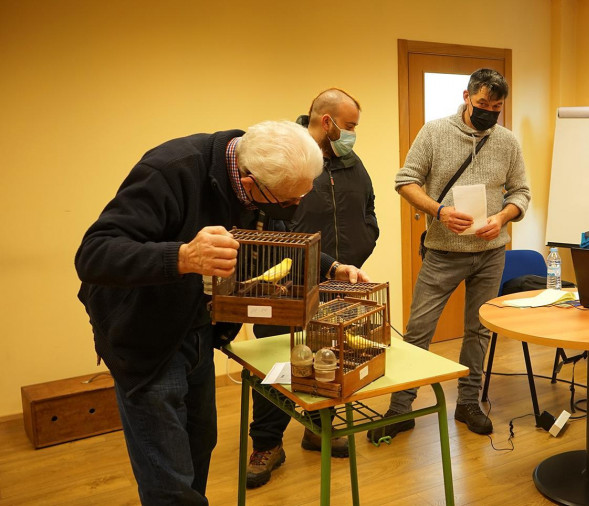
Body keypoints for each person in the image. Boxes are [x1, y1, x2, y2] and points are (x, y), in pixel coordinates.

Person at [75, 120, 365, 505]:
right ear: (249, 185)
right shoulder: (170, 170)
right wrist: (183, 256)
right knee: (169, 475)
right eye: (288, 201)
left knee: (199, 443)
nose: (294, 208)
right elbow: (94, 254)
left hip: (197, 330)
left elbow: (277, 239)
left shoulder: (260, 177)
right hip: (144, 336)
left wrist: (330, 267)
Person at [368, 68, 530, 441]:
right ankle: (400, 408)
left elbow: (521, 192)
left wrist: (504, 216)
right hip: (443, 251)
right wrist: (438, 212)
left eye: (497, 107)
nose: (489, 111)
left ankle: (468, 402)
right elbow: (404, 181)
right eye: (482, 104)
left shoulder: (507, 142)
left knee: (479, 331)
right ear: (466, 96)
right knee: (418, 331)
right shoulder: (435, 132)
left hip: (491, 251)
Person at [246, 88, 378, 488]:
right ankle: (267, 444)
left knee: (329, 357)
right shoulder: (286, 157)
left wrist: (364, 242)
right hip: (286, 285)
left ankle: (319, 427)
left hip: (339, 282)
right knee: (278, 363)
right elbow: (267, 224)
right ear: (327, 121)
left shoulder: (352, 163)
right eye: (349, 126)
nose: (353, 133)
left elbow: (368, 208)